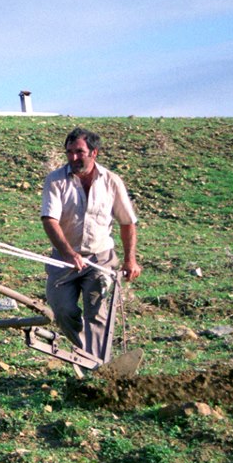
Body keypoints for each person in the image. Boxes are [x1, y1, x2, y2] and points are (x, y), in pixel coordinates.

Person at [40, 127, 142, 366]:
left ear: (94, 152)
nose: (74, 158)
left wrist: (130, 260)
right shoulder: (55, 180)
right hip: (64, 260)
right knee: (62, 310)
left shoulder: (111, 181)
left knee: (97, 314)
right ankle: (91, 357)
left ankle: (95, 369)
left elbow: (127, 222)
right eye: (69, 152)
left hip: (100, 259)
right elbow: (49, 220)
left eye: (79, 152)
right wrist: (68, 252)